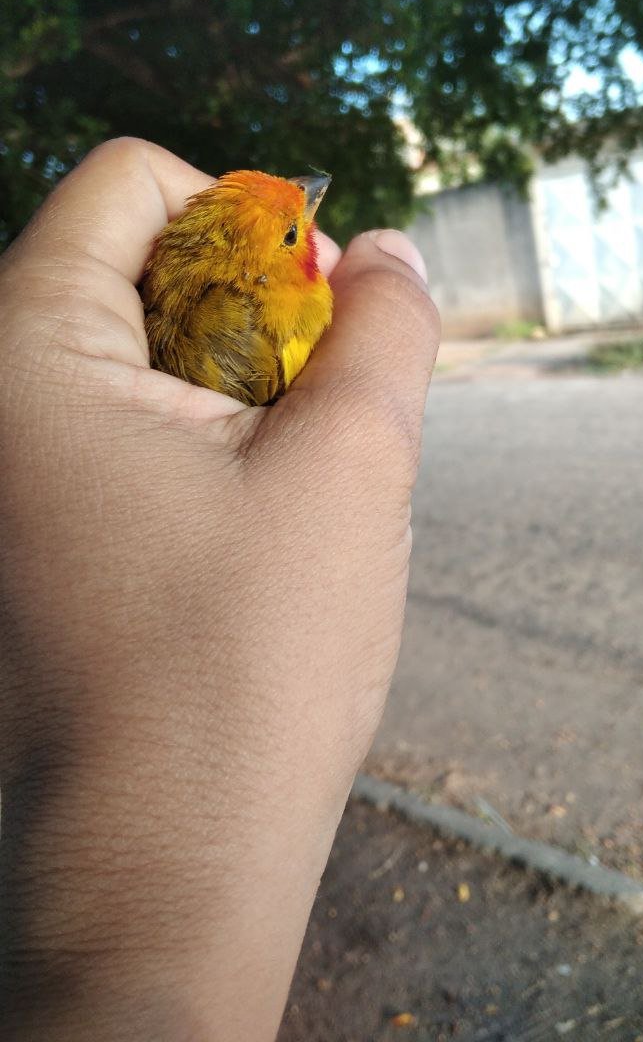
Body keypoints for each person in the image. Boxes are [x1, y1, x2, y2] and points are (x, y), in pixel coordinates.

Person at [0, 138, 439, 1040]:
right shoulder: (266, 319)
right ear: (271, 265)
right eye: (293, 228)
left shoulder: (245, 285)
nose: (307, 214)